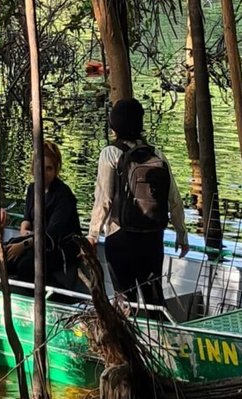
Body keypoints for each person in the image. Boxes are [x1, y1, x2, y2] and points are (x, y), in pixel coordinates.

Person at [87, 97, 188, 311]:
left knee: (125, 300)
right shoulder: (157, 155)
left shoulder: (110, 154)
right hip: (152, 238)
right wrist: (181, 234)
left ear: (114, 125)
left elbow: (104, 199)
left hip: (120, 236)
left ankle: (127, 331)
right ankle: (160, 331)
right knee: (154, 299)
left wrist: (93, 235)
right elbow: (174, 200)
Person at [21, 141, 84, 281]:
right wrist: (24, 231)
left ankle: (52, 289)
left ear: (56, 170)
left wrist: (22, 245)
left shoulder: (64, 195)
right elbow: (27, 219)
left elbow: (51, 235)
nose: (44, 173)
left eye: (49, 168)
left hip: (59, 249)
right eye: (40, 168)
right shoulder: (32, 189)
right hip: (34, 242)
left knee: (26, 265)